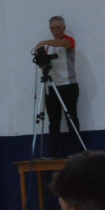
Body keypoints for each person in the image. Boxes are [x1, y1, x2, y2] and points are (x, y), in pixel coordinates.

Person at [33, 15, 84, 158]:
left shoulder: (68, 41)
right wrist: (43, 64)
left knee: (71, 118)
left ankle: (79, 153)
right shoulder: (47, 48)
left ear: (64, 28)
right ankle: (53, 154)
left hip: (68, 85)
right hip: (52, 86)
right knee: (53, 121)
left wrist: (43, 41)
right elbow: (46, 67)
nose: (55, 31)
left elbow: (65, 44)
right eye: (52, 28)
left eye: (58, 28)